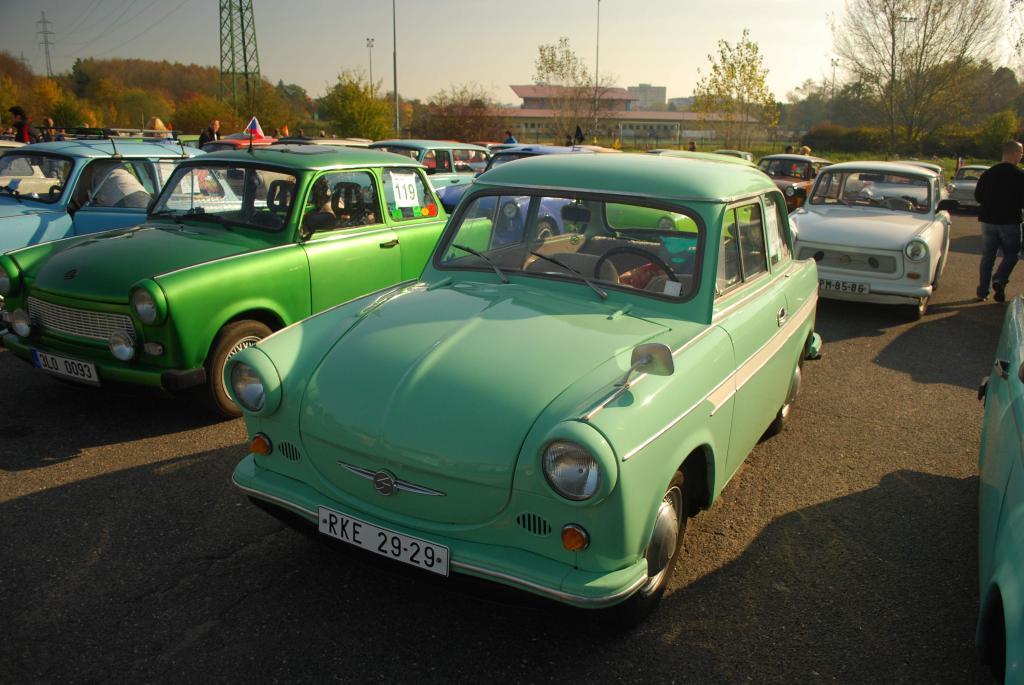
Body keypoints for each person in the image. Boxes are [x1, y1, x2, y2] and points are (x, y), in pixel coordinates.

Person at [974, 140, 1024, 302]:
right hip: (1010, 222)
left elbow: (978, 196)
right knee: (1012, 255)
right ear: (1014, 153)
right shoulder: (1020, 175)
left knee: (988, 257)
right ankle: (1000, 279)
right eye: (1021, 153)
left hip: (988, 221)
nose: (1022, 156)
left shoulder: (988, 174)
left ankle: (983, 292)